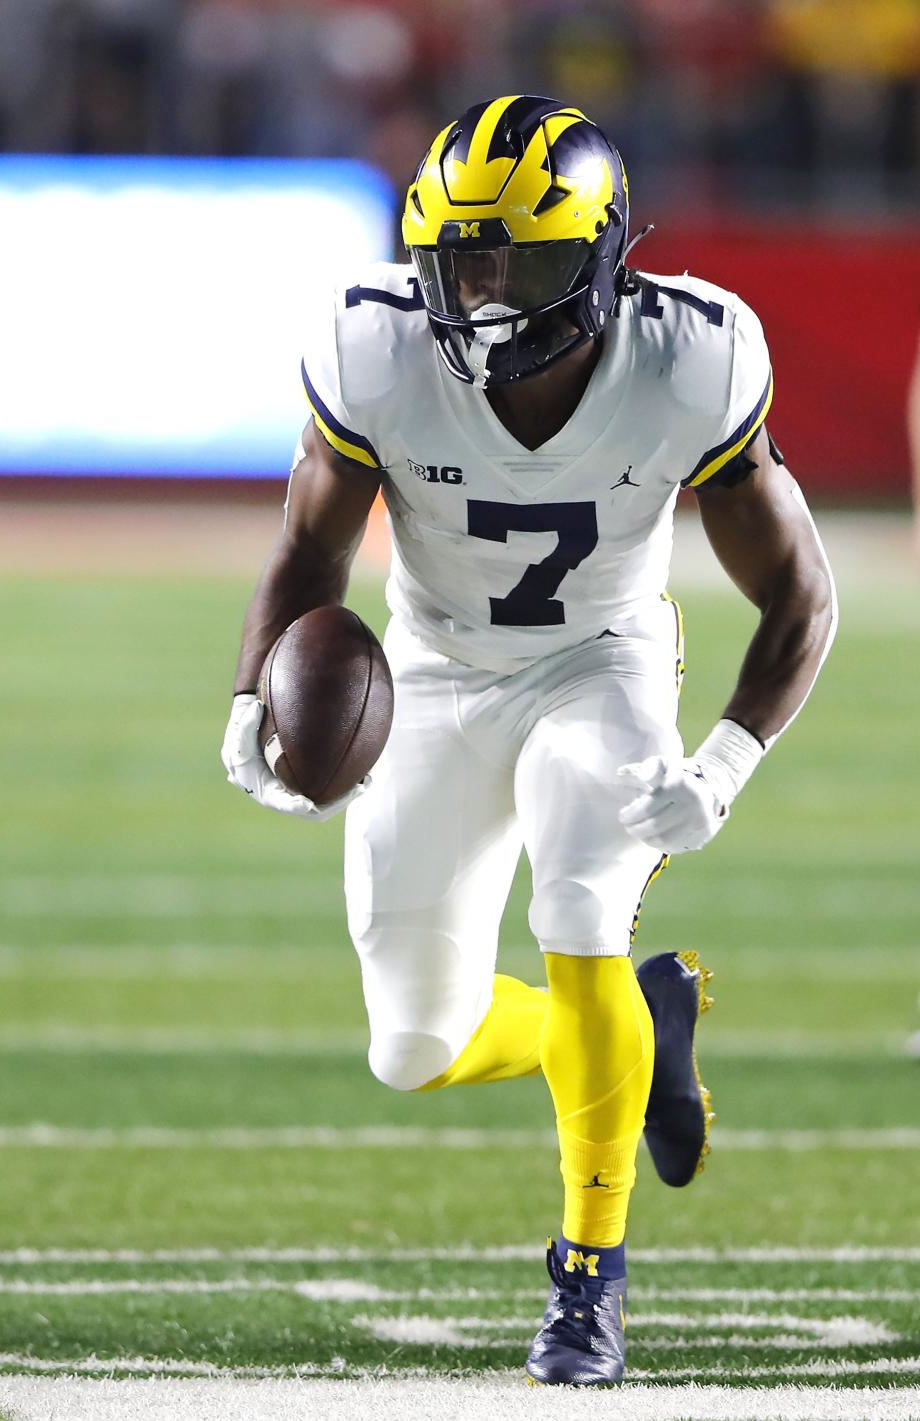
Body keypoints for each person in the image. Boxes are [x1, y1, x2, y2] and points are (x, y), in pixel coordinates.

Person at [221, 95, 837, 1387]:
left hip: (598, 665)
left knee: (579, 911)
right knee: (414, 1045)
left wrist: (725, 758)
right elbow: (310, 547)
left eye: (529, 262)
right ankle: (633, 1021)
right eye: (465, 262)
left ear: (609, 256)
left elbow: (800, 593)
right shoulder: (377, 349)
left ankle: (587, 1274)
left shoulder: (694, 357)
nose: (492, 298)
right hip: (434, 671)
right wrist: (249, 698)